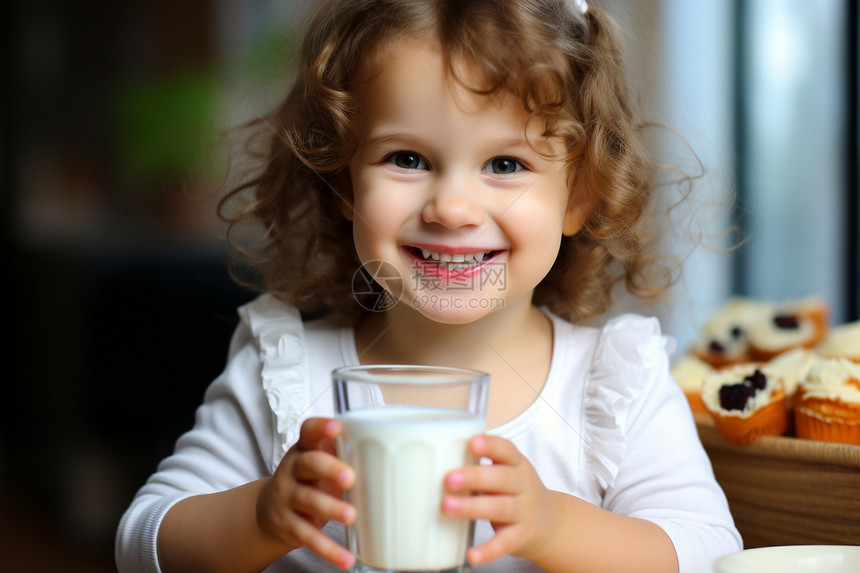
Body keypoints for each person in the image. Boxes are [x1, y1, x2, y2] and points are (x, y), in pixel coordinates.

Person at [116, 0, 742, 572]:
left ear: (578, 195)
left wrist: (552, 525)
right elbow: (142, 542)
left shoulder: (613, 384)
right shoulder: (286, 376)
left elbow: (710, 552)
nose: (452, 208)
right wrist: (260, 515)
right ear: (343, 186)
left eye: (505, 165)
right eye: (407, 159)